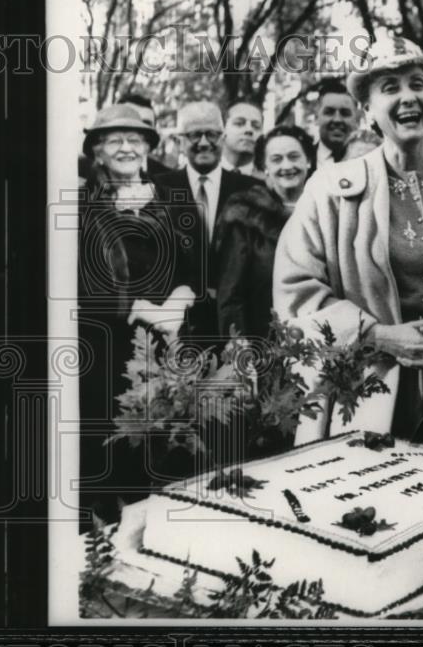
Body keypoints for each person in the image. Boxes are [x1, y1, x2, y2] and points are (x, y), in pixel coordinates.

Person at [274, 37, 423, 444]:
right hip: (368, 393)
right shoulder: (331, 190)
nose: (408, 97)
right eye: (390, 88)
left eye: (417, 84)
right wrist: (376, 334)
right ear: (367, 110)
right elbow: (295, 293)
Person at [78, 104, 203, 526]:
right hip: (105, 348)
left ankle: (154, 542)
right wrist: (144, 310)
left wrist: (174, 309)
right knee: (110, 442)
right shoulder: (84, 206)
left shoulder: (175, 198)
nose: (126, 148)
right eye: (114, 140)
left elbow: (198, 269)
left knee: (165, 442)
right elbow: (81, 280)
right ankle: (108, 543)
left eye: (136, 139)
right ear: (97, 152)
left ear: (149, 148)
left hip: (169, 345)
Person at [155, 102, 262, 340]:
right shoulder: (159, 189)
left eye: (211, 134)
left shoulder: (250, 191)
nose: (204, 142)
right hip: (176, 331)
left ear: (223, 138)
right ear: (180, 140)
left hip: (237, 329)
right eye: (194, 135)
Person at [216, 125, 316, 341]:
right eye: (276, 159)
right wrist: (240, 351)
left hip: (321, 343)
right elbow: (231, 297)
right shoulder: (246, 214)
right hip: (264, 345)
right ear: (265, 168)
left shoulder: (325, 211)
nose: (286, 165)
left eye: (293, 157)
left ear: (308, 161)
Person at [117, 92, 172, 177]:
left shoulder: (168, 178)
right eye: (130, 122)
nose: (138, 131)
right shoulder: (90, 172)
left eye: (146, 124)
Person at [314, 79, 360, 165]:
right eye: (329, 112)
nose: (337, 120)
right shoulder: (304, 158)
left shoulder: (369, 159)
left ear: (357, 121)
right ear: (316, 118)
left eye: (345, 113)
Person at [220, 100, 265, 177]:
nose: (249, 130)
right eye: (239, 123)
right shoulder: (201, 174)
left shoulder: (269, 183)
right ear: (222, 130)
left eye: (256, 126)